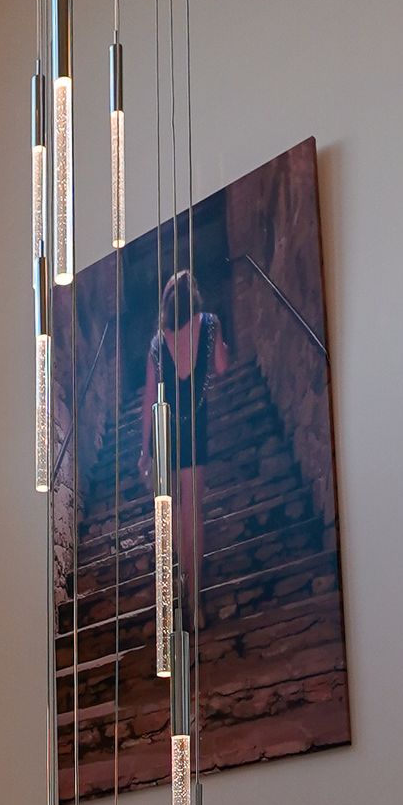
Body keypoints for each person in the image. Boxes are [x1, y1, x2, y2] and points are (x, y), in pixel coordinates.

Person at [138, 268, 230, 634]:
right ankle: (196, 598)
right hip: (196, 426)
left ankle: (180, 579)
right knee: (195, 510)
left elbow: (148, 399)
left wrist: (144, 450)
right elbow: (222, 367)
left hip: (166, 434)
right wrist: (222, 346)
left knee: (175, 512)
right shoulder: (209, 324)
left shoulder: (158, 342)